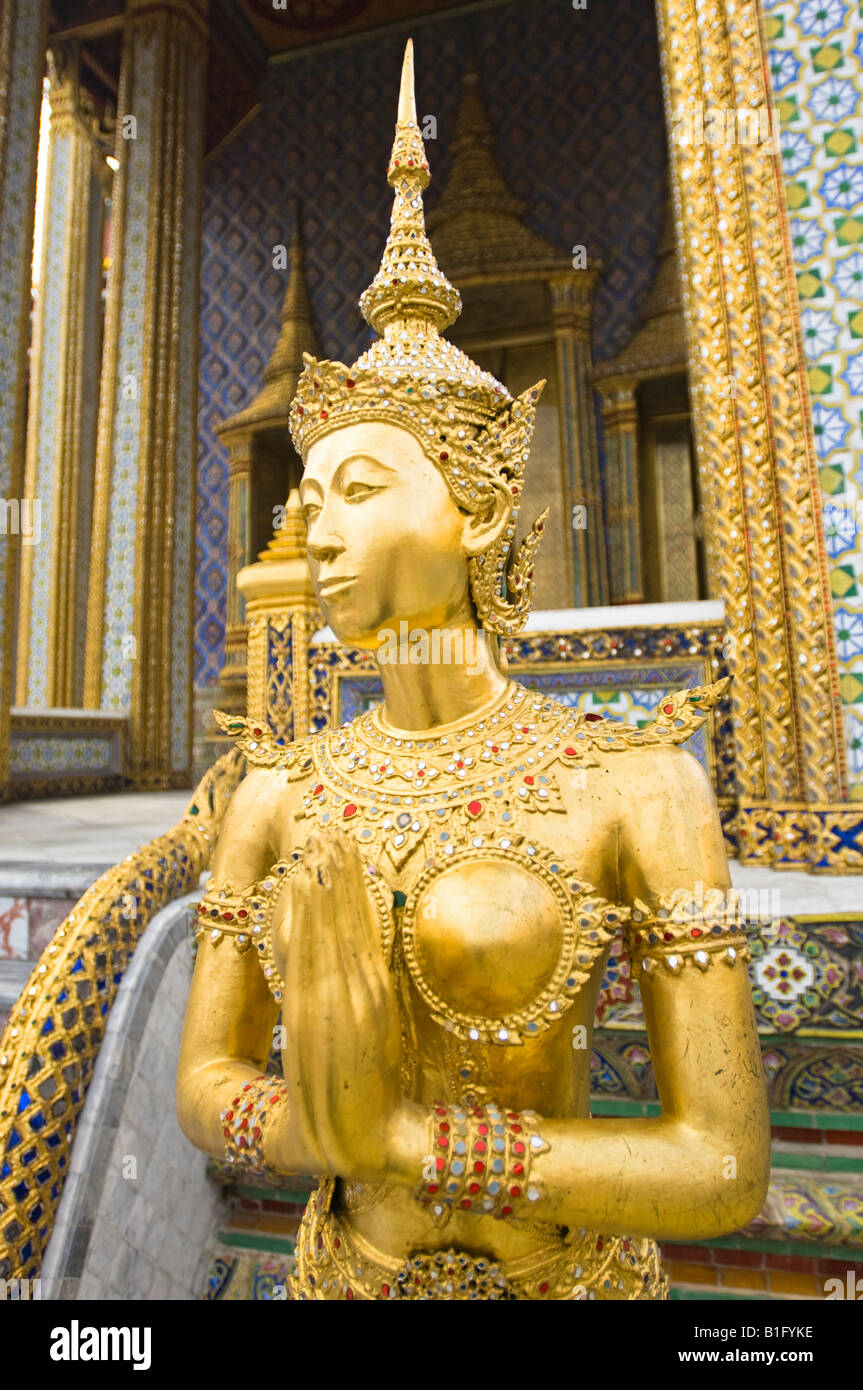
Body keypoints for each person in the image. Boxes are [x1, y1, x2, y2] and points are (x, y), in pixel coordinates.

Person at [177, 39, 769, 1301]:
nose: (315, 529)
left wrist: (399, 1144)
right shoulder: (276, 794)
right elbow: (204, 1084)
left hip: (566, 1280)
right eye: (311, 493)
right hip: (341, 1272)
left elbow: (720, 1167)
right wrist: (306, 1132)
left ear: (482, 516)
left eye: (362, 487)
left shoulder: (635, 784)